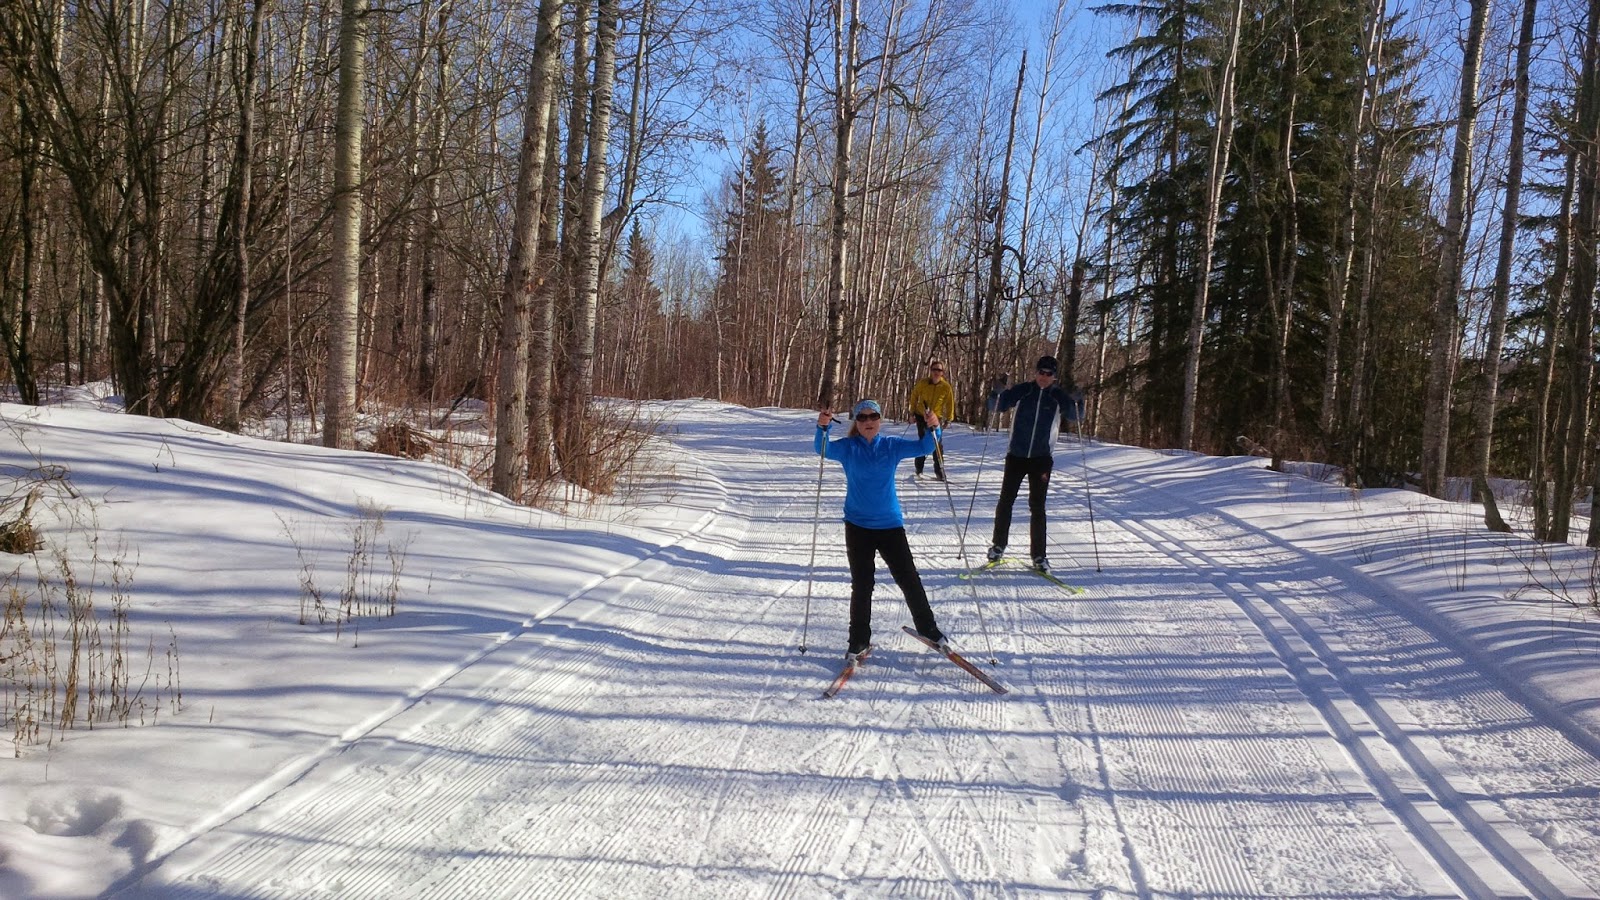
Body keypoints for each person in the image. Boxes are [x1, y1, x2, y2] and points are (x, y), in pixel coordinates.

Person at [815, 399, 948, 662]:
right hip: (857, 527)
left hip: (890, 525)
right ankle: (858, 641)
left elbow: (925, 445)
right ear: (856, 422)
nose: (868, 422)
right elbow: (822, 449)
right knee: (862, 586)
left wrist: (935, 428)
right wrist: (823, 428)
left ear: (880, 419)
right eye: (862, 418)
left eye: (872, 416)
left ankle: (928, 629)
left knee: (909, 579)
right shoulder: (849, 448)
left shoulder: (891, 446)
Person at [987, 356, 1078, 573]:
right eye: (1041, 372)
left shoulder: (1057, 396)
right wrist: (997, 390)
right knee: (1006, 501)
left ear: (1054, 377)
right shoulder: (1024, 390)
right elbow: (996, 406)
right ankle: (998, 546)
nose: (1044, 377)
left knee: (1037, 507)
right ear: (1035, 372)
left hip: (1041, 459)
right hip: (1016, 455)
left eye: (1049, 374)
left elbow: (1076, 415)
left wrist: (1078, 399)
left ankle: (1039, 556)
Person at [906, 358, 955, 480]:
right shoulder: (923, 383)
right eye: (934, 369)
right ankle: (919, 468)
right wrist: (911, 413)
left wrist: (949, 419)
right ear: (930, 371)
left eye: (939, 370)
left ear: (943, 372)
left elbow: (950, 403)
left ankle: (940, 472)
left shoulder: (946, 387)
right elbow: (914, 396)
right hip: (921, 415)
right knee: (924, 441)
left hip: (935, 418)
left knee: (937, 444)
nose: (936, 372)